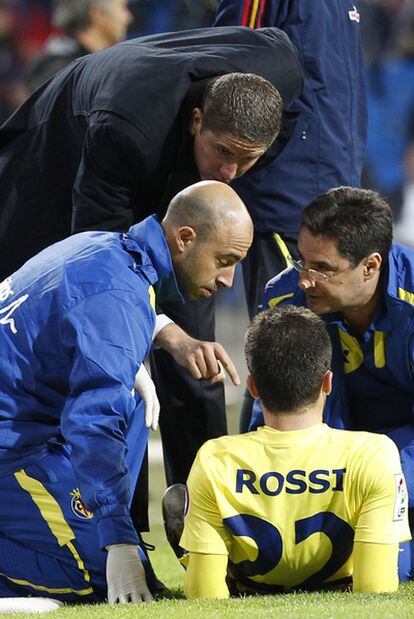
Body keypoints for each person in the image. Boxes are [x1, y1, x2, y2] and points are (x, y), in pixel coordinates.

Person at [0, 25, 303, 502]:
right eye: (222, 152)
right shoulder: (123, 134)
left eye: (246, 161)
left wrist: (182, 337)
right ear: (196, 120)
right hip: (61, 143)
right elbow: (94, 266)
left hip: (159, 144)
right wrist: (161, 330)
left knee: (196, 350)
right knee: (111, 351)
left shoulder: (279, 74)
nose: (229, 174)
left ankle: (206, 517)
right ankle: (119, 526)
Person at [0, 180, 253, 605]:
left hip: (29, 427)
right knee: (96, 578)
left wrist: (166, 338)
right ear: (185, 239)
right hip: (14, 445)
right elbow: (94, 424)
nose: (228, 279)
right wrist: (117, 542)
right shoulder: (119, 295)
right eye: (224, 260)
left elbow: (91, 304)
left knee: (133, 393)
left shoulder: (103, 248)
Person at [175, 305, 410, 597]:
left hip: (250, 585)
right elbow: (376, 587)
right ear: (327, 383)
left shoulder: (215, 458)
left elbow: (204, 594)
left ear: (254, 388)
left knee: (179, 501)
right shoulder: (373, 452)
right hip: (336, 583)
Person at [214, 0, 367, 430]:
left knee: (320, 352)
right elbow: (234, 69)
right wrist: (271, 161)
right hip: (286, 199)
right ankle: (259, 481)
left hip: (334, 193)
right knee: (285, 349)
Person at [257, 186, 414, 580]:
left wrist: (373, 481)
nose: (306, 280)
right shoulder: (284, 298)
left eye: (322, 268)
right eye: (301, 261)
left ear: (370, 265)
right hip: (332, 459)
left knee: (384, 566)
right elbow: (276, 409)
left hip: (394, 461)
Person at [24, 0, 133, 93]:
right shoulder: (61, 72)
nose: (128, 18)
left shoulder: (74, 67)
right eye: (122, 8)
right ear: (98, 14)